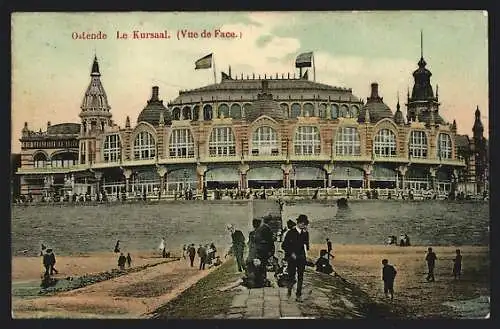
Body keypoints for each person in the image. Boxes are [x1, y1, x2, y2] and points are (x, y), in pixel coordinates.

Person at [282, 214, 310, 302]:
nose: (304, 225)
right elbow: (284, 246)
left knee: (301, 276)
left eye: (305, 224)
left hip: (301, 257)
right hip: (292, 258)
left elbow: (306, 246)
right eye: (302, 223)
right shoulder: (290, 233)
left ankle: (298, 294)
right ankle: (289, 292)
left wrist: (306, 256)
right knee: (291, 276)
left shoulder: (305, 233)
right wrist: (291, 253)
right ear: (298, 223)